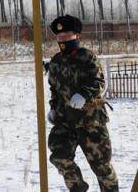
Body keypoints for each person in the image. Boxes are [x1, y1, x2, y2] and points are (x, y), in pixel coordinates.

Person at [46, 14, 120, 192]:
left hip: (90, 121)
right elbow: (54, 89)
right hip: (65, 121)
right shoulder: (56, 62)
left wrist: (84, 95)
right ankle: (78, 188)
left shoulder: (87, 57)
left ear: (77, 35)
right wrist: (53, 108)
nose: (63, 40)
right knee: (59, 156)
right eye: (59, 37)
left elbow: (98, 82)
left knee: (101, 167)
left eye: (67, 35)